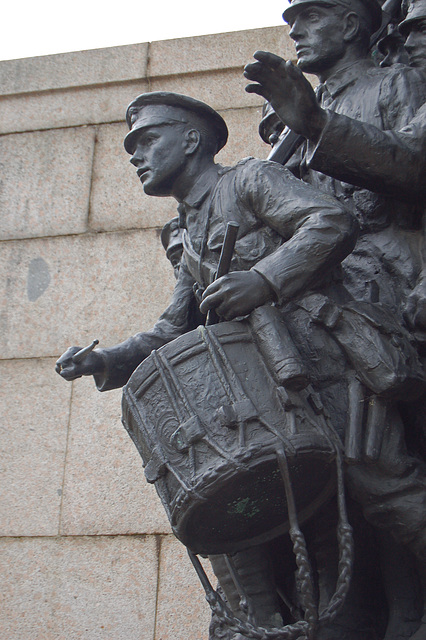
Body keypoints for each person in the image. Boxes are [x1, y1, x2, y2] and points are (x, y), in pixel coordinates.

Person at [56, 91, 361, 637]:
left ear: (191, 140)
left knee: (370, 502)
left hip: (327, 367)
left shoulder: (247, 181)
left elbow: (330, 219)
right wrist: (105, 359)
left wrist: (265, 279)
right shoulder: (190, 225)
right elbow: (175, 325)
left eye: (146, 140)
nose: (135, 155)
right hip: (269, 389)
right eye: (131, 146)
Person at [244, 1, 426, 638]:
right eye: (291, 18)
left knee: (378, 466)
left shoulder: (393, 84)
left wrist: (316, 120)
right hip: (307, 315)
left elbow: (415, 164)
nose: (294, 28)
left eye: (312, 14)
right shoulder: (289, 121)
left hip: (379, 299)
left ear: (353, 24)